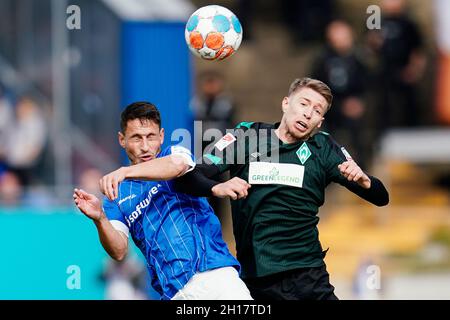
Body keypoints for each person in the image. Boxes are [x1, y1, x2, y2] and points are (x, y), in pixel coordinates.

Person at [177, 77, 390, 300]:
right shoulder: (247, 137)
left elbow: (381, 197)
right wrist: (217, 188)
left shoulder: (324, 149)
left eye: (317, 110)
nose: (308, 113)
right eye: (304, 103)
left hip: (308, 275)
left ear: (319, 122)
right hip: (258, 280)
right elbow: (188, 177)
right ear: (286, 103)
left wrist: (365, 181)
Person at [73, 101, 252, 300]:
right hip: (173, 293)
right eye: (136, 138)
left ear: (162, 136)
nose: (145, 146)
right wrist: (100, 219)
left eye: (151, 137)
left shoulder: (173, 154)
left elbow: (177, 165)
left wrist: (125, 172)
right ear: (122, 140)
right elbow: (119, 251)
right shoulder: (115, 197)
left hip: (214, 275)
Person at [312, 20, 369, 168]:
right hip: (331, 107)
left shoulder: (359, 59)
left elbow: (369, 84)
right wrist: (337, 104)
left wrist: (359, 101)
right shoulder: (322, 61)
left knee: (361, 129)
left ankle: (362, 164)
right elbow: (317, 86)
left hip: (355, 104)